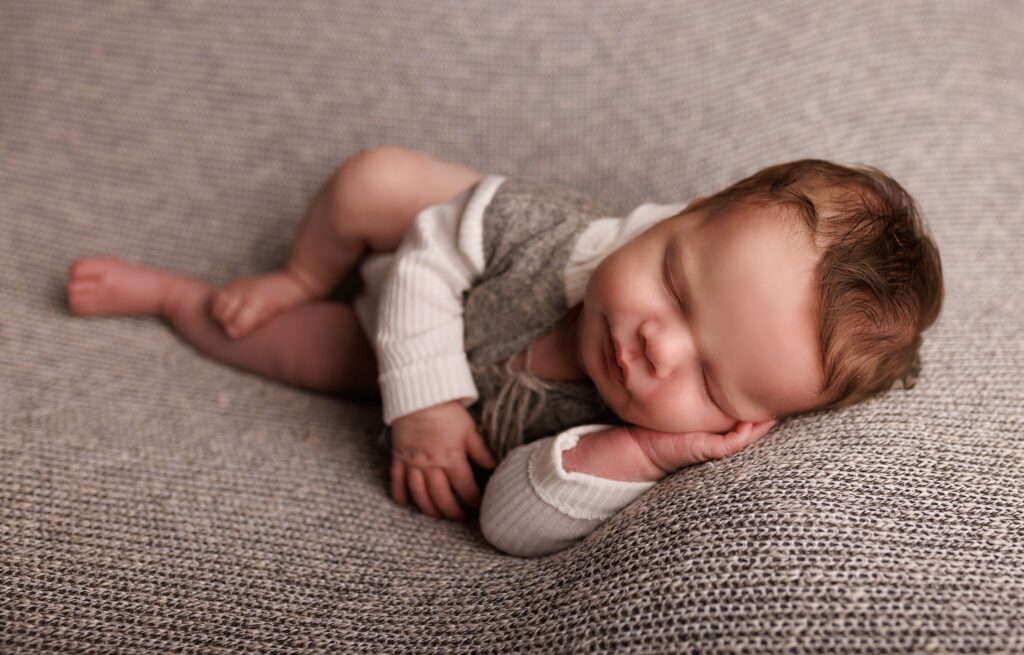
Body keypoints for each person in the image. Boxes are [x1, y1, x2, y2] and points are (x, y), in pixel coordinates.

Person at [65, 145, 944, 557]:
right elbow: (428, 252)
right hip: (435, 271)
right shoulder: (561, 242)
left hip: (396, 351)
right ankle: (301, 271)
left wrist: (642, 449)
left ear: (744, 421)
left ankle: (173, 297)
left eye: (708, 378)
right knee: (378, 180)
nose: (656, 343)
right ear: (679, 212)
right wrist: (423, 403)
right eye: (675, 287)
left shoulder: (617, 432)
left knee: (305, 356)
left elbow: (509, 522)